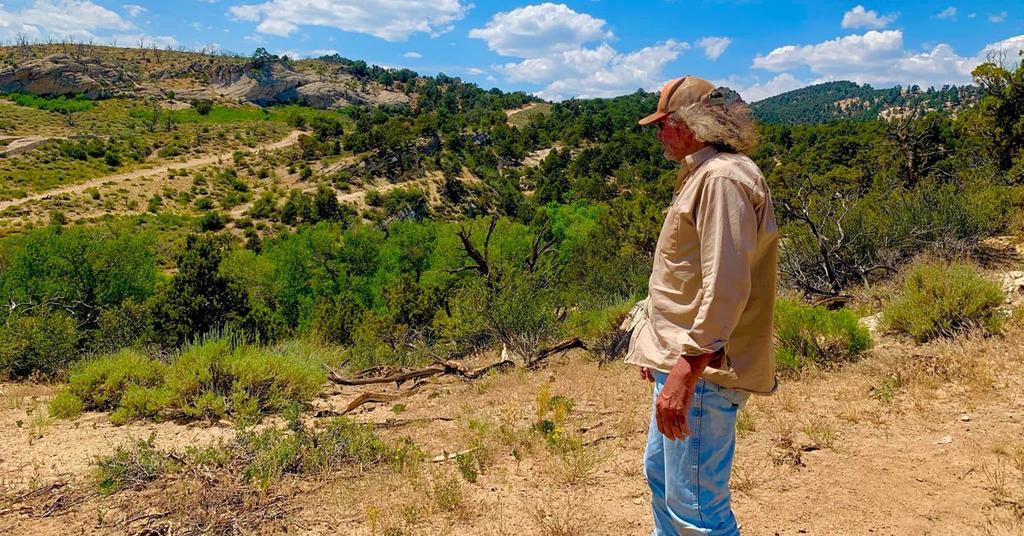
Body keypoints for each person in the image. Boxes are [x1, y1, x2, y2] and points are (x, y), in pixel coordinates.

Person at [624, 75, 779, 535]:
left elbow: (725, 284)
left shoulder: (722, 179)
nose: (659, 134)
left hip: (703, 374)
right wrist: (657, 346)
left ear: (692, 123)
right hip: (685, 363)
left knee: (696, 511)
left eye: (664, 124)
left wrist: (686, 369)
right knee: (664, 481)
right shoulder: (707, 174)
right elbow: (689, 275)